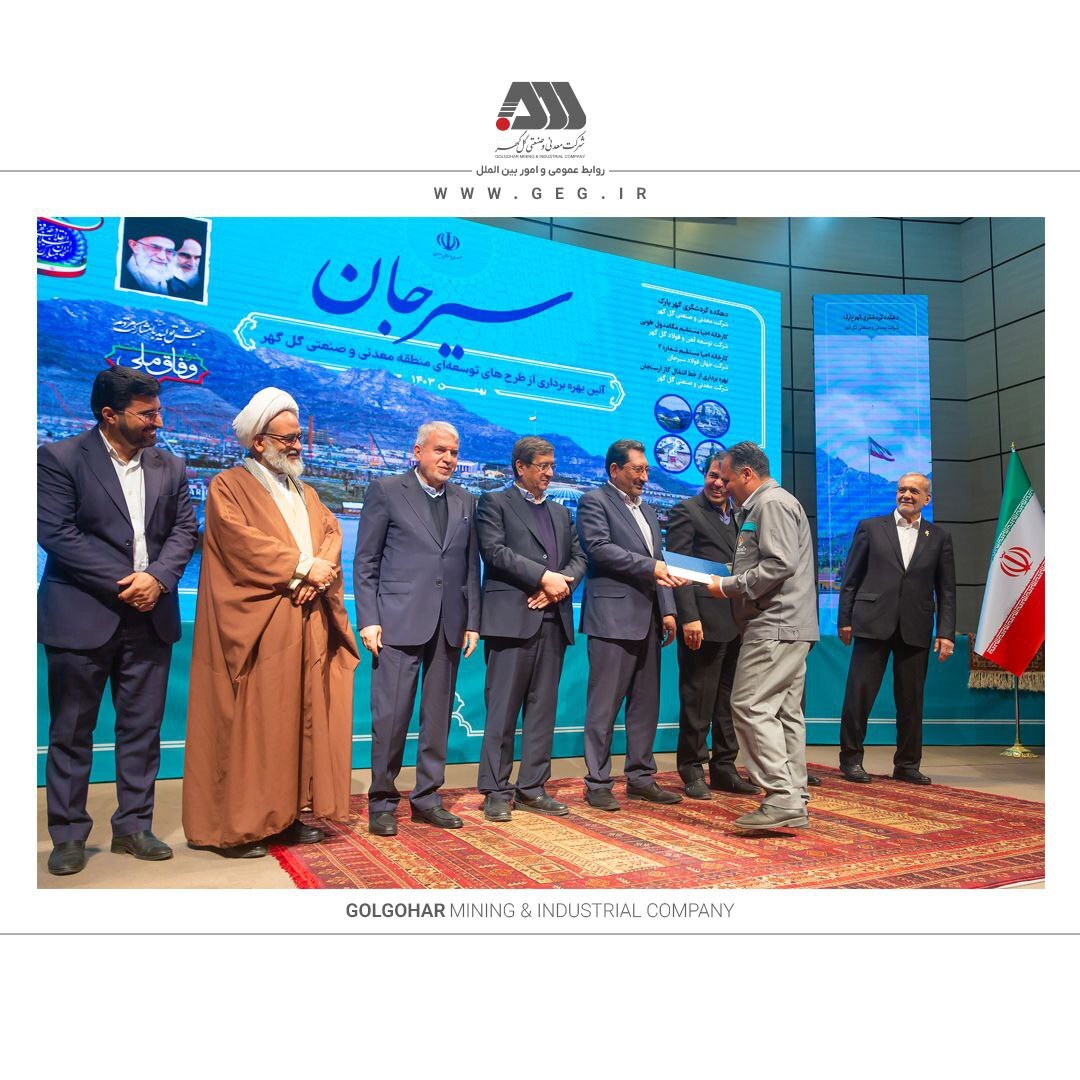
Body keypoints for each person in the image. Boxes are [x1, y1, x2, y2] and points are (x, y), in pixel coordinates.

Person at [181, 388, 360, 858]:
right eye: (288, 438)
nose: (298, 445)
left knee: (294, 723)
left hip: (305, 620)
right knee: (254, 726)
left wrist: (318, 571)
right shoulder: (228, 487)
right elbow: (240, 544)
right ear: (259, 442)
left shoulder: (305, 490)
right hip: (260, 627)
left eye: (299, 437)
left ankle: (284, 816)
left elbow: (330, 533)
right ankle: (239, 828)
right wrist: (302, 568)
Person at [38, 367, 198, 875]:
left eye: (158, 411)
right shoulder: (59, 458)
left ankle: (134, 827)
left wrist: (157, 579)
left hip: (151, 617)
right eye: (147, 413)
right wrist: (130, 582)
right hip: (81, 615)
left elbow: (185, 531)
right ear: (109, 415)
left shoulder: (171, 466)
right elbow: (57, 534)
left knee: (141, 730)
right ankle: (68, 835)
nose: (158, 422)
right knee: (71, 730)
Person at [354, 421, 481, 835]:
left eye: (454, 453)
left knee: (437, 717)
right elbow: (366, 561)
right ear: (418, 451)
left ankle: (427, 798)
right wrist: (369, 618)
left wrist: (473, 622)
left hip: (449, 623)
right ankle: (382, 802)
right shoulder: (386, 490)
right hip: (397, 621)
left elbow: (470, 566)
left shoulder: (465, 499)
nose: (448, 459)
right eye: (440, 450)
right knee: (391, 716)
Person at [707, 441, 819, 830]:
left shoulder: (771, 503)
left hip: (775, 623)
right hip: (786, 623)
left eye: (727, 479)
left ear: (747, 474)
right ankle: (795, 797)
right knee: (784, 712)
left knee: (749, 704)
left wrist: (727, 586)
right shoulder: (768, 505)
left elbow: (779, 564)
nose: (723, 486)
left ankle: (782, 797)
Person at [475, 437, 586, 821]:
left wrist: (560, 585)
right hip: (512, 621)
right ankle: (495, 790)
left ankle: (533, 788)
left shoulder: (560, 511)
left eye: (552, 465)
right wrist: (543, 577)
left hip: (554, 621)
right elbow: (494, 552)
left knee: (542, 710)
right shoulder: (494, 502)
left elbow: (579, 557)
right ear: (520, 467)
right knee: (502, 710)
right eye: (542, 465)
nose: (550, 473)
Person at [576, 439, 686, 811]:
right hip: (611, 620)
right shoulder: (594, 501)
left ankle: (641, 778)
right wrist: (651, 567)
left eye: (646, 470)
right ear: (614, 470)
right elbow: (599, 548)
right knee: (604, 707)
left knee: (644, 705)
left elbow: (658, 560)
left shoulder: (649, 511)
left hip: (649, 621)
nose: (644, 476)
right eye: (637, 469)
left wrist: (668, 609)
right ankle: (597, 782)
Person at [836, 472, 956, 784]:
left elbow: (947, 590)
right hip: (872, 622)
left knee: (911, 701)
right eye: (902, 489)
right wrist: (845, 619)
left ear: (926, 499)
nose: (906, 495)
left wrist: (945, 632)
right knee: (859, 696)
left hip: (916, 626)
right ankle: (851, 760)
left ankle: (907, 764)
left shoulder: (939, 537)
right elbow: (850, 578)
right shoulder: (870, 527)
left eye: (914, 491)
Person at [665, 453, 759, 799]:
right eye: (712, 476)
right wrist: (689, 617)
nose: (718, 483)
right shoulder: (686, 511)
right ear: (704, 476)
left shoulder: (741, 516)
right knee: (697, 700)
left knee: (728, 703)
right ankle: (692, 769)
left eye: (723, 478)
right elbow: (678, 569)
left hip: (737, 624)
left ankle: (724, 768)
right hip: (702, 623)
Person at [119, 220, 178, 295]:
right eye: (155, 247)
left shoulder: (177, 286)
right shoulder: (120, 276)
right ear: (134, 245)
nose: (162, 257)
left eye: (169, 251)